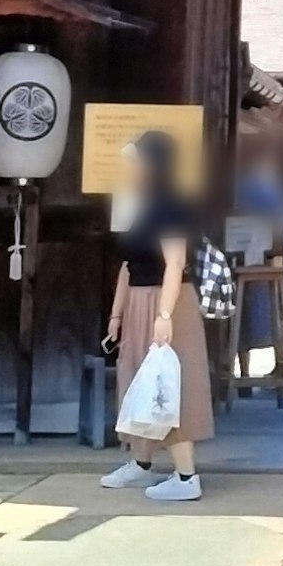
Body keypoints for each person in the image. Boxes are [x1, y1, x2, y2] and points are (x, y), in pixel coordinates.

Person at [100, 129, 212, 503]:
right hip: (139, 300)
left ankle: (186, 476)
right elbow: (128, 265)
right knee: (138, 382)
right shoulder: (140, 202)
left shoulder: (170, 204)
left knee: (168, 386)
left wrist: (164, 314)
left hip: (168, 302)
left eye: (133, 162)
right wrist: (117, 315)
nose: (128, 168)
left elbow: (175, 263)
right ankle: (141, 462)